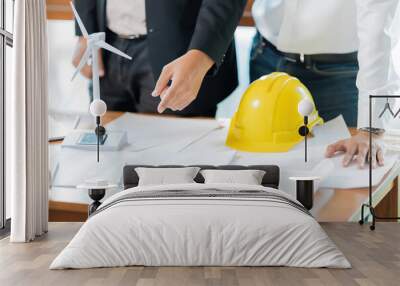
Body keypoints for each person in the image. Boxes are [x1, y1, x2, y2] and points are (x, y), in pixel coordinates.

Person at [251, 0, 400, 168]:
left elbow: (377, 29)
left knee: (343, 174)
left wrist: (370, 129)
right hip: (266, 55)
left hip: (339, 74)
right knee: (260, 170)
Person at [72, 0, 246, 117]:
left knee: (171, 165)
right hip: (106, 46)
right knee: (105, 159)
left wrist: (201, 55)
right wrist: (85, 33)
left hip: (181, 50)